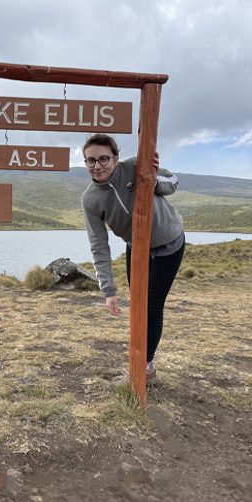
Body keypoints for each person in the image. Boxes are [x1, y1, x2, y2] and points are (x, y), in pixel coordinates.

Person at [80, 133, 185, 384]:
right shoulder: (90, 199)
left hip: (170, 243)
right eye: (91, 161)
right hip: (136, 248)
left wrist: (153, 182)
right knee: (138, 306)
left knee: (152, 305)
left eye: (104, 158)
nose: (98, 166)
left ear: (115, 158)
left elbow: (172, 179)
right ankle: (138, 363)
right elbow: (99, 246)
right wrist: (108, 290)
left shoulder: (136, 165)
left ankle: (145, 366)